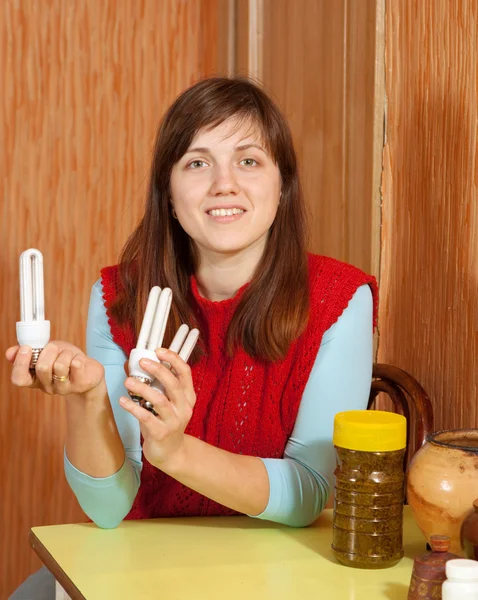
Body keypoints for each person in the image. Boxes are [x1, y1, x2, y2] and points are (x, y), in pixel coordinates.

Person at [7, 76, 376, 597]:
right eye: (197, 162)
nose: (224, 183)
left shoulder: (340, 298)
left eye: (249, 161)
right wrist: (88, 398)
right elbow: (108, 510)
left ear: (283, 185)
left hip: (278, 573)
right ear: (170, 194)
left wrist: (176, 453)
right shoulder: (120, 295)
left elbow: (311, 492)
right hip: (140, 568)